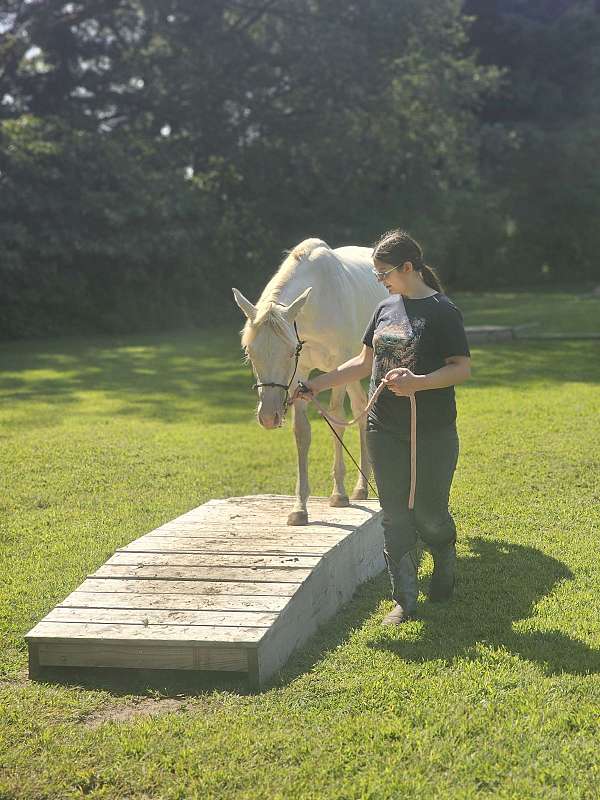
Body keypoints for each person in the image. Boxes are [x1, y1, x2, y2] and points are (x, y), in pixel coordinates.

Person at [292, 229, 471, 625]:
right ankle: (405, 598)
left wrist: (418, 383)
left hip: (433, 430)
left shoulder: (443, 311)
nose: (381, 282)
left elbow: (461, 368)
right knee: (393, 515)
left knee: (429, 514)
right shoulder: (384, 309)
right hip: (382, 427)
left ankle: (444, 555)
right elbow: (362, 364)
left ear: (409, 267)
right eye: (377, 276)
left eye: (384, 274)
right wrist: (314, 384)